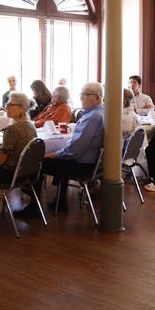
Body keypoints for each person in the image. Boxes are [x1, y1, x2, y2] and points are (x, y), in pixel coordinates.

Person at [22, 82, 105, 215]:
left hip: (83, 166)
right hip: (92, 164)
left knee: (38, 161)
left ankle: (34, 204)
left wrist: (56, 154)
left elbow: (75, 150)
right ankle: (60, 200)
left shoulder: (93, 117)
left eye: (85, 95)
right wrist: (59, 153)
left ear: (97, 97)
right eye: (81, 94)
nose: (81, 98)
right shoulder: (100, 112)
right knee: (58, 157)